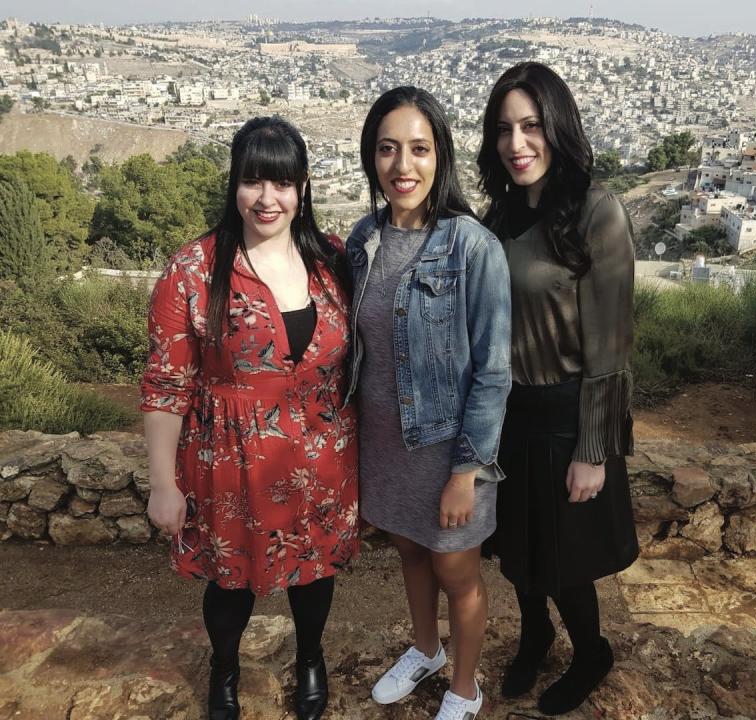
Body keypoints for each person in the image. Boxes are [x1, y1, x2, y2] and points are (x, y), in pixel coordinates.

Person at [141, 116, 358, 720]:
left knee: (313, 573)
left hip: (323, 457)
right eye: (253, 181)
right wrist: (163, 483)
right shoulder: (194, 270)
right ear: (234, 184)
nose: (268, 199)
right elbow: (165, 384)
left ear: (304, 188)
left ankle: (310, 659)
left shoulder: (332, 259)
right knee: (229, 580)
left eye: (283, 183)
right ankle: (225, 670)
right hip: (230, 462)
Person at [477, 62, 640, 716]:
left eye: (532, 126)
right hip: (510, 413)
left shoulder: (596, 213)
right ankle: (536, 632)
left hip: (569, 414)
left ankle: (591, 649)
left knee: (567, 558)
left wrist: (593, 450)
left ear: (557, 128)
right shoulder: (502, 216)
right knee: (519, 548)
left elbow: (610, 344)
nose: (517, 144)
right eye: (504, 130)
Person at [345, 86, 511, 720]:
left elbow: (494, 372)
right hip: (386, 445)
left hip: (450, 452)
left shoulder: (472, 247)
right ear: (371, 158)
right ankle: (425, 650)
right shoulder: (364, 240)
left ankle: (465, 689)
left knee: (457, 574)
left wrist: (466, 473)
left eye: (418, 149)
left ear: (440, 155)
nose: (402, 166)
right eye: (387, 150)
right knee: (411, 551)